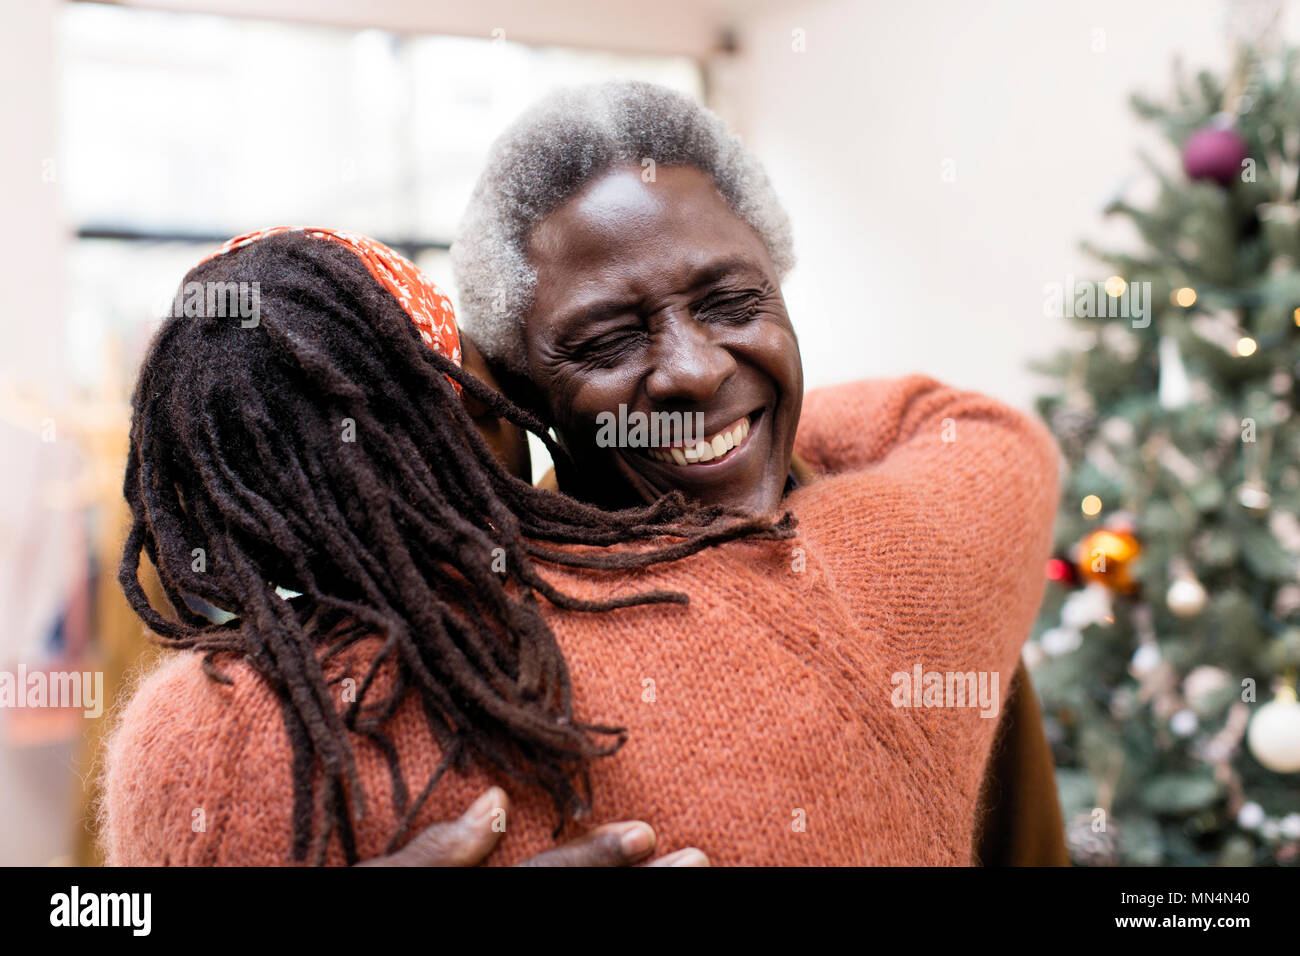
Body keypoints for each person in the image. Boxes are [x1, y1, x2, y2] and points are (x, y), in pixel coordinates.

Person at [104, 218, 1061, 864]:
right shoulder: (810, 586)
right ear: (488, 409)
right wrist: (720, 418)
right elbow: (966, 426)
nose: (683, 364)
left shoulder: (199, 738)